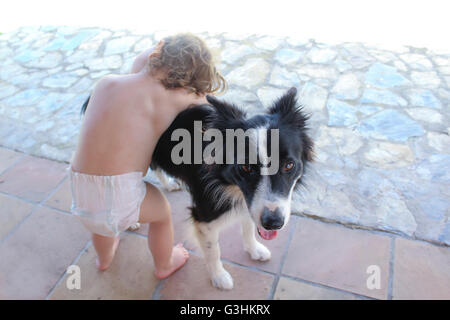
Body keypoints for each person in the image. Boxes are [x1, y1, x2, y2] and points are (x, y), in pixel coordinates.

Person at [70, 33, 226, 279]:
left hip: (80, 191)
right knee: (162, 213)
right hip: (120, 199)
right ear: (189, 81)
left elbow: (140, 63)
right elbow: (205, 101)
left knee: (101, 224)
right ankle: (165, 264)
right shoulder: (176, 99)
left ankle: (104, 258)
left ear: (155, 54)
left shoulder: (106, 83)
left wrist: (160, 50)